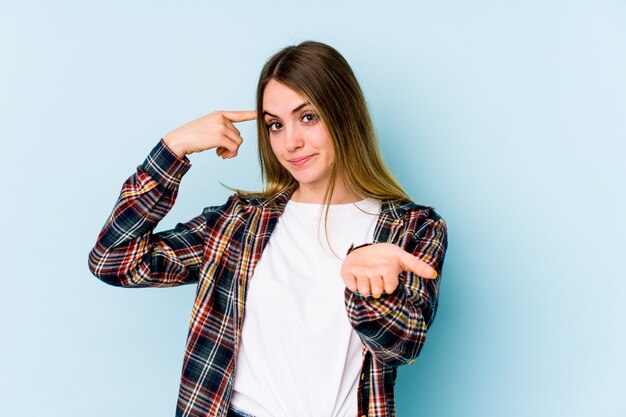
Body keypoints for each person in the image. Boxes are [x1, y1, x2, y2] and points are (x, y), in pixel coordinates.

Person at [87, 40, 448, 417]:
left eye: (308, 117)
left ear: (345, 114)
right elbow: (115, 260)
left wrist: (368, 292)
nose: (291, 142)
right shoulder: (239, 222)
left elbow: (401, 347)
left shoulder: (413, 228)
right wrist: (171, 150)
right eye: (275, 125)